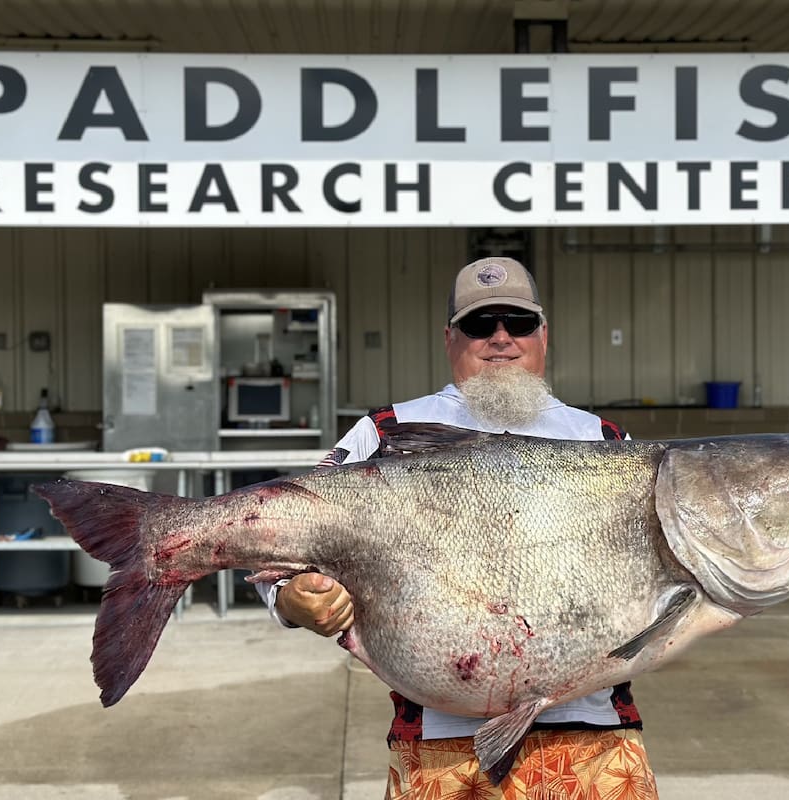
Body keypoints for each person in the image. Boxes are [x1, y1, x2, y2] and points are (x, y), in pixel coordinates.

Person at [262, 256, 658, 798]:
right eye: (480, 324)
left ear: (543, 334)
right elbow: (276, 529)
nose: (500, 338)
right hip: (439, 746)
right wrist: (289, 600)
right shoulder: (386, 432)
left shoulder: (605, 440)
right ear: (450, 338)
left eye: (517, 323)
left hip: (594, 740)